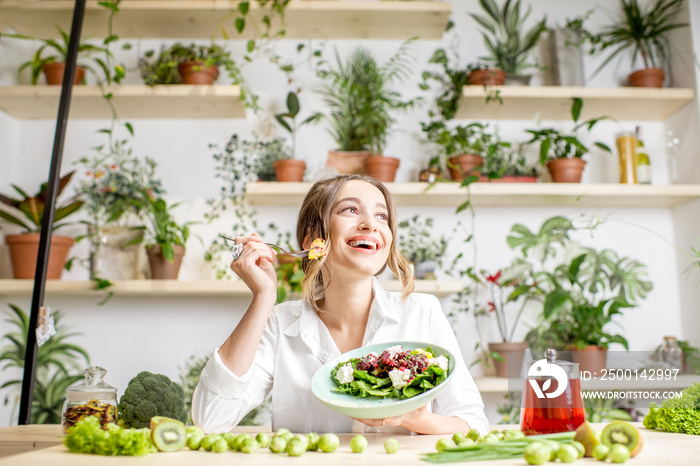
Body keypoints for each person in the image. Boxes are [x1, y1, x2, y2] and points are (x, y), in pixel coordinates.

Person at [192, 175, 488, 434]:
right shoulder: (280, 324)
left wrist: (415, 419)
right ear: (313, 240)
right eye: (350, 209)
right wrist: (264, 297)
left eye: (382, 216)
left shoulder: (423, 313)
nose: (371, 224)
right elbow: (210, 419)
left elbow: (473, 423)